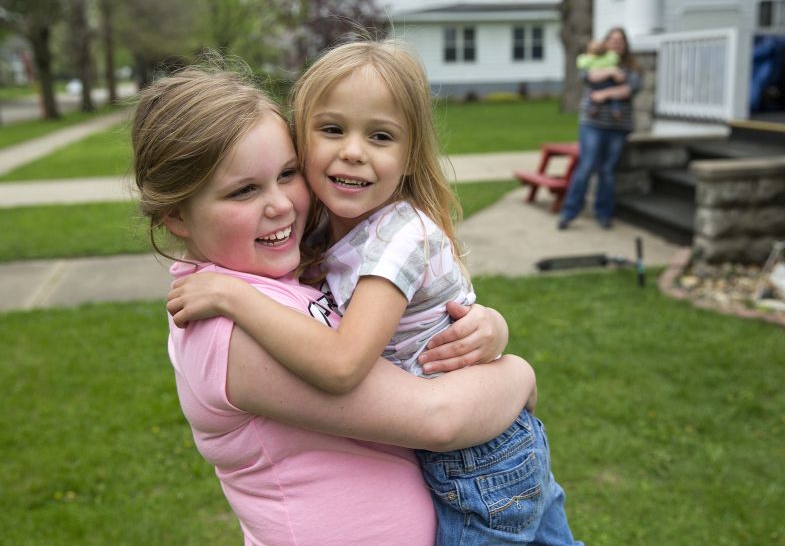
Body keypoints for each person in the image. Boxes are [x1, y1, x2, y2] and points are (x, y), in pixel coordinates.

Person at [167, 39, 582, 545]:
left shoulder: (381, 238)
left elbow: (347, 358)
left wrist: (499, 340)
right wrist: (514, 371)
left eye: (285, 175)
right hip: (467, 448)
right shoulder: (240, 315)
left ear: (410, 156)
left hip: (479, 463)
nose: (353, 151)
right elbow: (399, 395)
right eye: (332, 129)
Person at [558, 27, 642, 231]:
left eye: (620, 40)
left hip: (618, 127)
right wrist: (613, 73)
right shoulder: (593, 58)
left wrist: (605, 95)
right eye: (612, 39)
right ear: (606, 42)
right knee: (586, 167)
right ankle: (569, 212)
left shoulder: (633, 67)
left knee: (607, 171)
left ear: (625, 44)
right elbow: (589, 77)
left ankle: (603, 213)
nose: (616, 43)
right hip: (592, 124)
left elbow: (629, 89)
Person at [576, 39, 623, 119]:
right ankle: (616, 110)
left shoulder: (588, 59)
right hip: (608, 83)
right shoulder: (609, 58)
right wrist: (611, 71)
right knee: (614, 99)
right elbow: (588, 76)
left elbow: (582, 65)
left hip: (597, 86)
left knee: (593, 96)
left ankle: (593, 108)